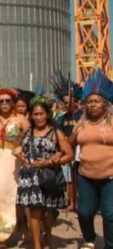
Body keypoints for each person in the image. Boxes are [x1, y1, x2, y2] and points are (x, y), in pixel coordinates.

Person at [14, 96, 72, 249]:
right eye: (35, 114)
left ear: (47, 114)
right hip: (30, 176)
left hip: (48, 176)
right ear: (31, 116)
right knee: (34, 211)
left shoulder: (56, 133)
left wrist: (51, 161)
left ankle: (48, 233)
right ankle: (37, 247)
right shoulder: (26, 132)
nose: (38, 117)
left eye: (41, 114)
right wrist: (19, 155)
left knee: (47, 212)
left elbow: (69, 155)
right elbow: (17, 147)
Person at [69, 69, 113, 249]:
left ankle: (110, 248)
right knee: (85, 212)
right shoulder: (81, 124)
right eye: (90, 101)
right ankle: (89, 238)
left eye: (97, 101)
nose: (93, 104)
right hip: (86, 175)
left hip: (110, 176)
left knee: (110, 213)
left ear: (106, 104)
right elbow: (69, 144)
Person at [0, 88, 29, 248]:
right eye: (1, 101)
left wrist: (21, 147)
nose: (4, 103)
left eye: (8, 101)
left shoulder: (20, 118)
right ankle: (0, 234)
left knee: (14, 195)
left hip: (14, 160)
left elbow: (31, 136)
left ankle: (21, 225)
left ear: (13, 103)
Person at [51, 71, 83, 213]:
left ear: (75, 101)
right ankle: (71, 201)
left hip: (81, 149)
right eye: (64, 102)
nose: (65, 104)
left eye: (68, 102)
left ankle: (80, 201)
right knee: (70, 177)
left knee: (79, 177)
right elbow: (60, 132)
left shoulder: (82, 115)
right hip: (69, 149)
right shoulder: (63, 117)